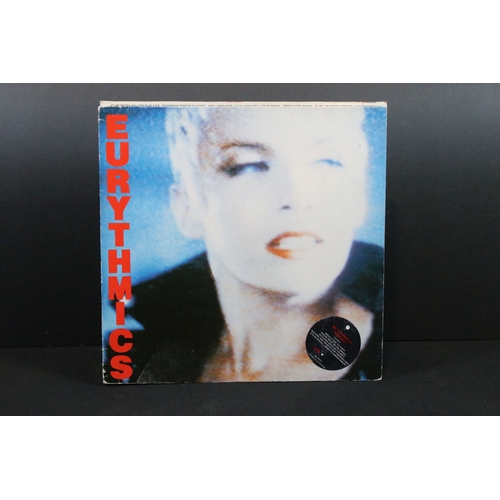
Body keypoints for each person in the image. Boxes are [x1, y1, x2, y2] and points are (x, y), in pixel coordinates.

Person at [125, 104, 384, 383]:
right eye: (247, 166)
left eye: (327, 161)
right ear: (187, 208)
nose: (297, 197)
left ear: (360, 196)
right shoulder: (139, 360)